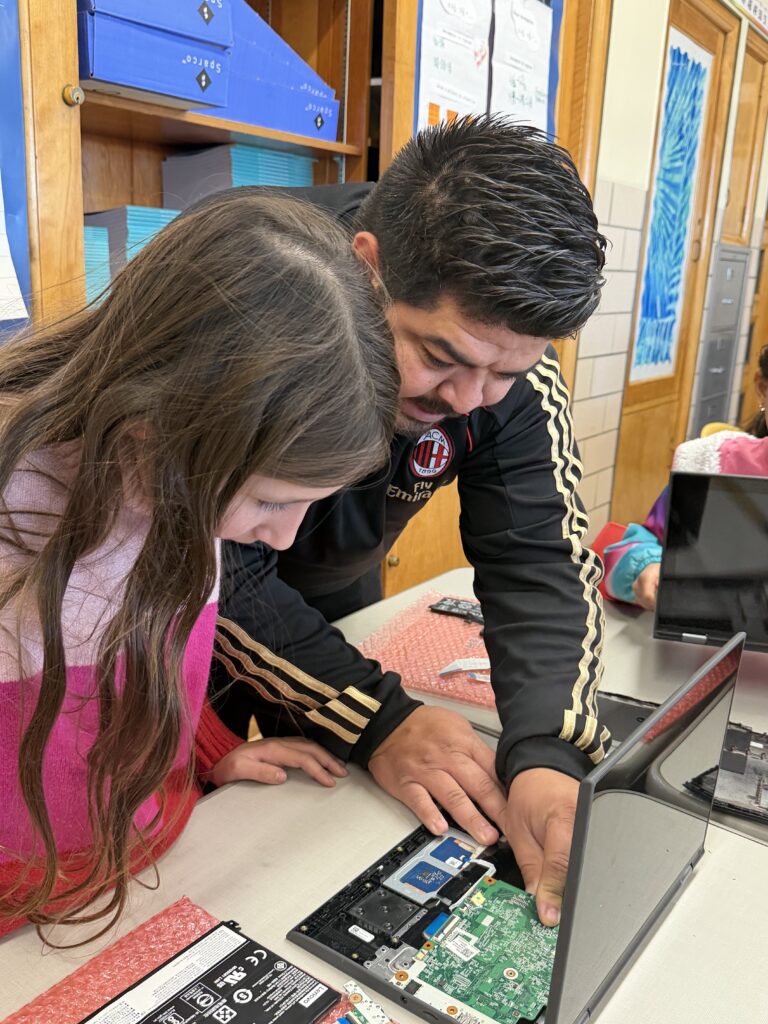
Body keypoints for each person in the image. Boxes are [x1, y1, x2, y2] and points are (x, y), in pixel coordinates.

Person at [207, 116, 610, 928]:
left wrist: (545, 755)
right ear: (368, 268)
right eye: (442, 358)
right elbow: (202, 559)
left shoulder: (500, 342)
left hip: (334, 578)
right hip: (195, 596)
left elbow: (540, 556)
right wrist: (381, 720)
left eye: (506, 371)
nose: (468, 401)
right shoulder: (245, 286)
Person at [0, 192, 399, 938]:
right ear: (159, 436)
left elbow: (147, 658)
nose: (283, 541)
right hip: (22, 918)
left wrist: (207, 749)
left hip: (152, 864)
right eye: (272, 503)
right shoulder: (19, 504)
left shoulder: (189, 477)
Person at [604, 343, 768, 609]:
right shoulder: (711, 463)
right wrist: (647, 567)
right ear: (762, 389)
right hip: (710, 646)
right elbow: (637, 547)